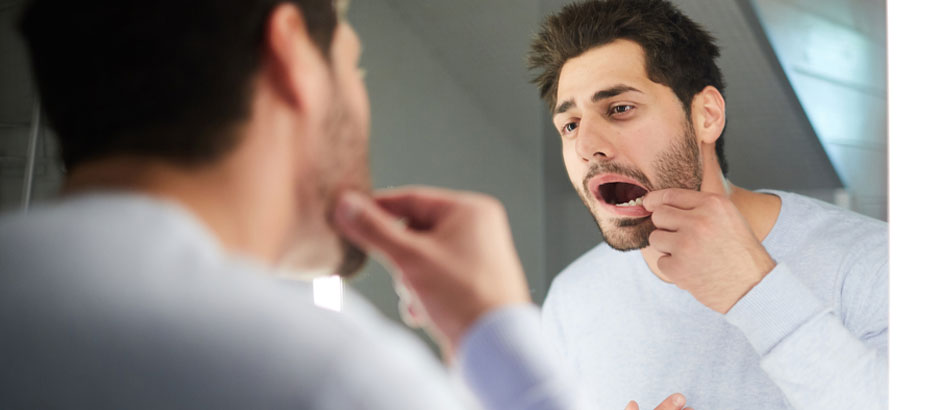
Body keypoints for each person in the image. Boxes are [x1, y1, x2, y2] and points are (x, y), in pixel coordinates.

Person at [0, 0, 701, 409]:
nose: (588, 144)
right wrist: (496, 336)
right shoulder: (317, 375)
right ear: (294, 58)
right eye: (354, 65)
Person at [527, 0, 888, 409]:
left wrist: (754, 291)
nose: (588, 147)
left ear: (707, 115)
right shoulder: (572, 299)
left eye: (620, 108)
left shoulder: (874, 264)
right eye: (570, 125)